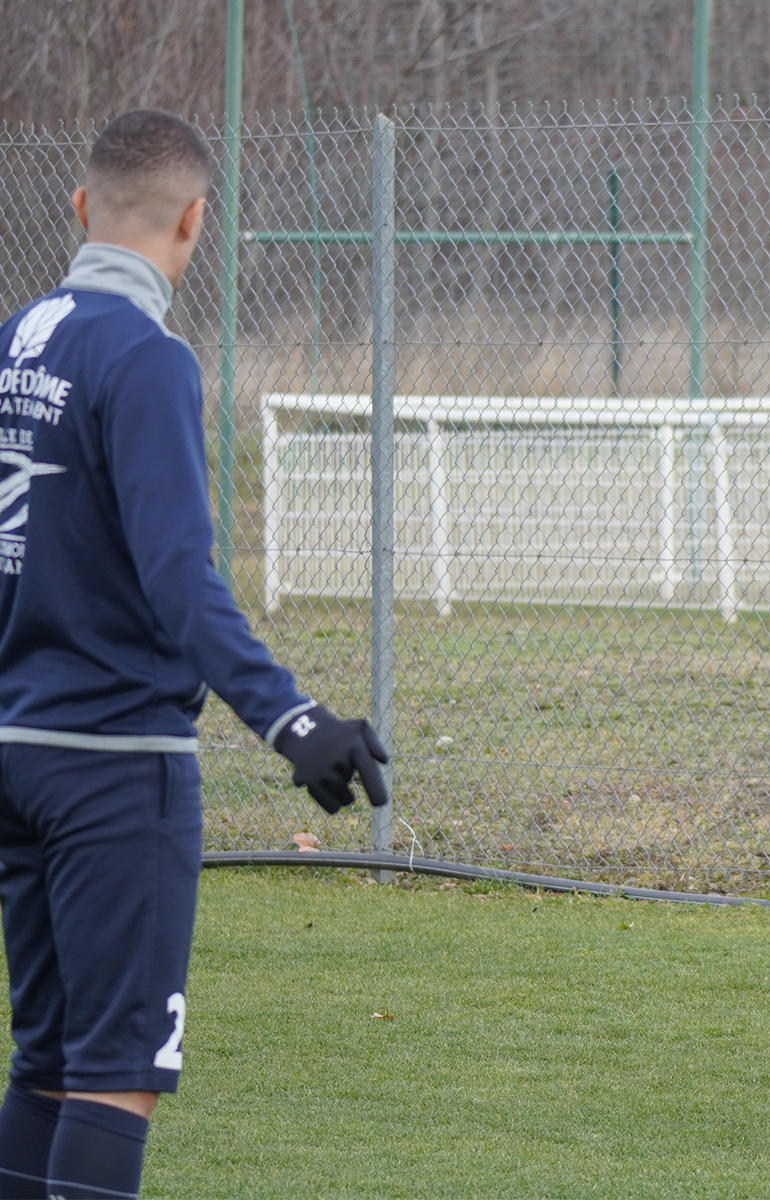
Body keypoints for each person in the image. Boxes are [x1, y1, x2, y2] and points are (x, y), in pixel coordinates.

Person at [0, 110, 389, 1199]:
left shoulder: (18, 338)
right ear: (193, 222)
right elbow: (179, 575)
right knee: (115, 1076)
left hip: (18, 752)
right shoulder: (148, 359)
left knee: (47, 1065)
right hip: (112, 766)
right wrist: (293, 720)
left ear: (80, 210)